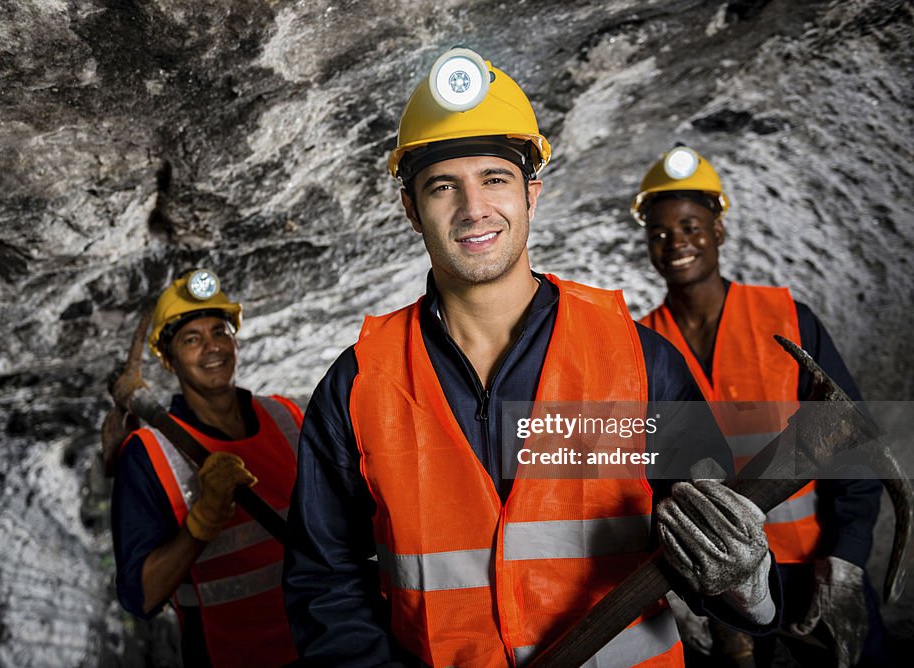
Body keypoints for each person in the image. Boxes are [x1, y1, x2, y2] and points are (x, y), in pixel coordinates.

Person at [283, 48, 782, 667]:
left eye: (494, 178)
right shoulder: (358, 384)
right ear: (411, 209)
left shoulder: (640, 363)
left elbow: (725, 559)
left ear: (531, 193)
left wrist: (747, 582)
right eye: (443, 186)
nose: (473, 208)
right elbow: (324, 584)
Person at [633, 146, 886, 667]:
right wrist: (677, 596)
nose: (676, 242)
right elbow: (639, 481)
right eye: (659, 232)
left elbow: (851, 440)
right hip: (713, 585)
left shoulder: (787, 317)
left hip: (811, 570)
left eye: (690, 226)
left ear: (718, 231)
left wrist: (846, 559)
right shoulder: (641, 347)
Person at [111, 268, 302, 667]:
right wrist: (202, 523)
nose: (212, 347)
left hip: (329, 642)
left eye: (220, 332)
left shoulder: (284, 415)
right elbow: (140, 596)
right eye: (191, 339)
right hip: (233, 656)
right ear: (168, 360)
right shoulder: (148, 453)